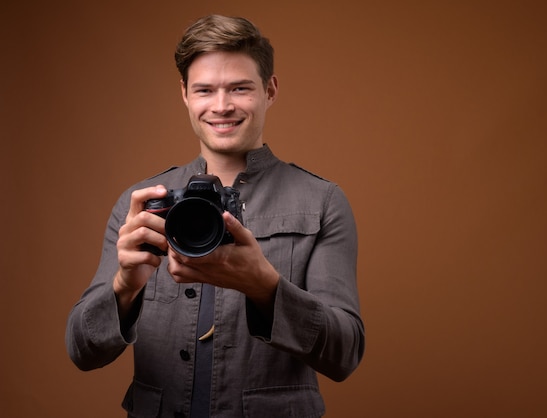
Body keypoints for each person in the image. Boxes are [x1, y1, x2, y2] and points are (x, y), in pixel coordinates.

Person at [65, 14, 365, 418]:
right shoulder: (141, 204)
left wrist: (266, 288)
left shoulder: (323, 201)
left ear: (269, 90)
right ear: (185, 95)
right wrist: (123, 289)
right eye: (205, 90)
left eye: (239, 88)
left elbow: (345, 354)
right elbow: (81, 351)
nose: (221, 106)